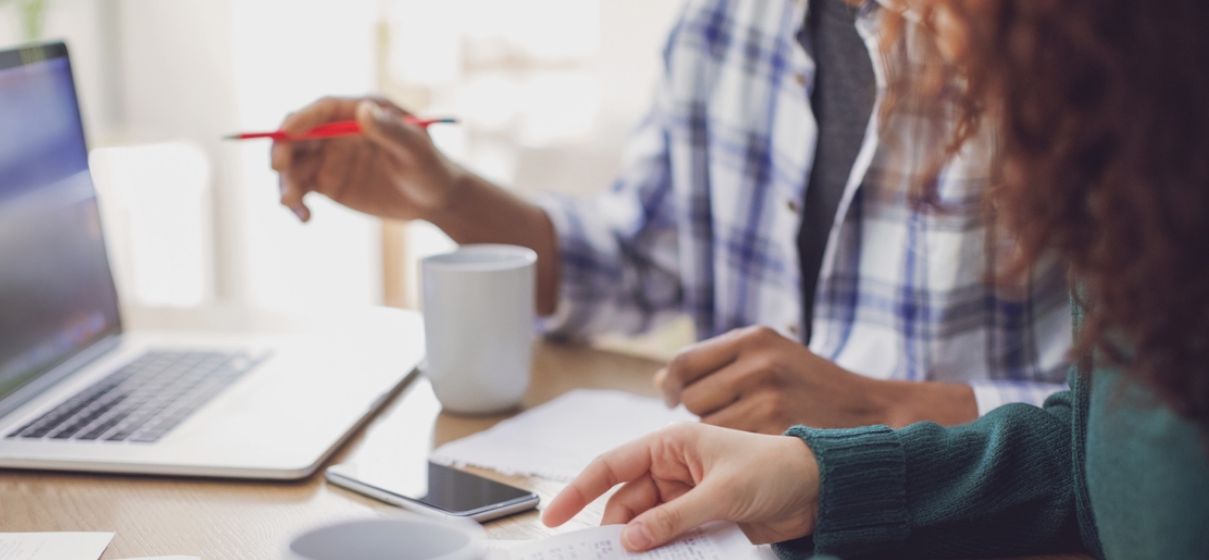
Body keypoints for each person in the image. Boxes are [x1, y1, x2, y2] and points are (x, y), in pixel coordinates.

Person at [539, 0, 1209, 558]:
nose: (928, 48)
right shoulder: (1152, 196)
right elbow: (1086, 456)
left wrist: (876, 407)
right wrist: (818, 478)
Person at [270, 0, 1072, 434]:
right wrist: (447, 197)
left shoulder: (1076, 45)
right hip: (739, 522)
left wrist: (881, 408)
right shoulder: (722, 24)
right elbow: (639, 258)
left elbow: (1149, 422)